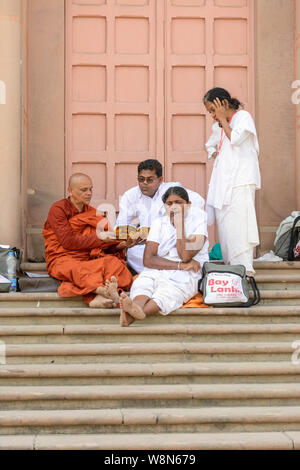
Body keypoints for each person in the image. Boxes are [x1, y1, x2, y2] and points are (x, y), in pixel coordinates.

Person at [117, 186, 209, 327]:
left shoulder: (198, 223)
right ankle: (134, 308)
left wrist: (180, 227)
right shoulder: (159, 223)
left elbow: (184, 255)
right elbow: (148, 260)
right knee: (144, 283)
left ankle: (130, 316)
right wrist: (179, 265)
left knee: (168, 293)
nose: (174, 207)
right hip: (160, 268)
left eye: (178, 202)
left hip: (188, 273)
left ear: (188, 205)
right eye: (169, 204)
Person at [42, 173, 134, 308]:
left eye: (90, 189)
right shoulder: (58, 209)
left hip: (88, 258)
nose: (89, 193)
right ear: (70, 191)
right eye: (83, 190)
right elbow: (68, 242)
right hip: (61, 258)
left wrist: (122, 245)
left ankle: (97, 298)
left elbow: (104, 246)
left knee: (113, 263)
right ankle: (102, 291)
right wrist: (100, 238)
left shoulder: (92, 212)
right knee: (77, 269)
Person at [203, 87, 260, 275]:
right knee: (226, 227)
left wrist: (222, 120)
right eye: (210, 111)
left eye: (213, 109)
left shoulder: (243, 117)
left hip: (241, 181)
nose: (211, 115)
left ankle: (243, 269)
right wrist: (214, 151)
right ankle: (231, 270)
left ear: (224, 103)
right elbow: (211, 146)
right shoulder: (217, 126)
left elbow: (236, 138)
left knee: (240, 226)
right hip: (223, 184)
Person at [115, 159, 205, 274]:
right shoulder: (130, 195)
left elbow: (199, 201)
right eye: (141, 179)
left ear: (160, 179)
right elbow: (120, 226)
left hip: (172, 241)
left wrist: (174, 216)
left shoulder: (171, 190)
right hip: (148, 244)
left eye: (150, 180)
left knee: (177, 253)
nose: (144, 183)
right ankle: (169, 271)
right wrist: (130, 237)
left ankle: (161, 272)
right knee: (133, 253)